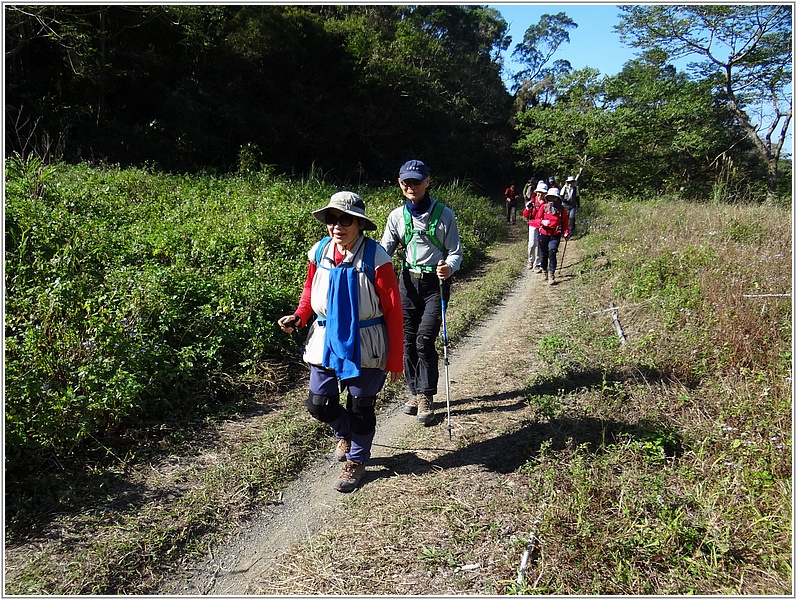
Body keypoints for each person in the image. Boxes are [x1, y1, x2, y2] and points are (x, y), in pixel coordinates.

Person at [277, 191, 403, 493]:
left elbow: (393, 310)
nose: (337, 226)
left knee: (361, 406)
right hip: (325, 338)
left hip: (366, 341)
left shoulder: (376, 257)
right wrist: (299, 316)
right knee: (318, 404)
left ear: (359, 223)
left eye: (345, 219)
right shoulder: (320, 251)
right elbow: (310, 290)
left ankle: (356, 461)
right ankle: (345, 432)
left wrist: (395, 358)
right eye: (332, 219)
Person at [380, 159, 463, 425]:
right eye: (406, 182)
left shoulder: (444, 214)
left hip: (434, 285)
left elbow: (455, 252)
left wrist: (448, 268)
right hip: (407, 282)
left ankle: (427, 395)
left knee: (424, 340)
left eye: (416, 181)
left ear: (428, 182)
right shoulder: (396, 217)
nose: (411, 186)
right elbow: (384, 253)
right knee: (406, 340)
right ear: (400, 184)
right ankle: (414, 392)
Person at [534, 187, 570, 285]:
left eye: (554, 198)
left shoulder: (561, 210)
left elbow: (565, 223)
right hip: (544, 234)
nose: (552, 200)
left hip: (555, 234)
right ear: (548, 198)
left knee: (552, 252)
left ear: (558, 199)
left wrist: (566, 232)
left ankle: (551, 275)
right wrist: (542, 222)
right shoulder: (544, 207)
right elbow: (536, 220)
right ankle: (544, 271)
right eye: (550, 198)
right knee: (544, 255)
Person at [522, 180, 548, 271]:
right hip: (533, 224)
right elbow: (525, 215)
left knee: (540, 244)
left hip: (543, 226)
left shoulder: (547, 203)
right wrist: (527, 208)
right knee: (532, 244)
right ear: (536, 192)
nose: (540, 194)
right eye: (539, 192)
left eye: (542, 193)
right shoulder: (532, 202)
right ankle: (530, 260)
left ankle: (538, 263)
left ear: (545, 193)